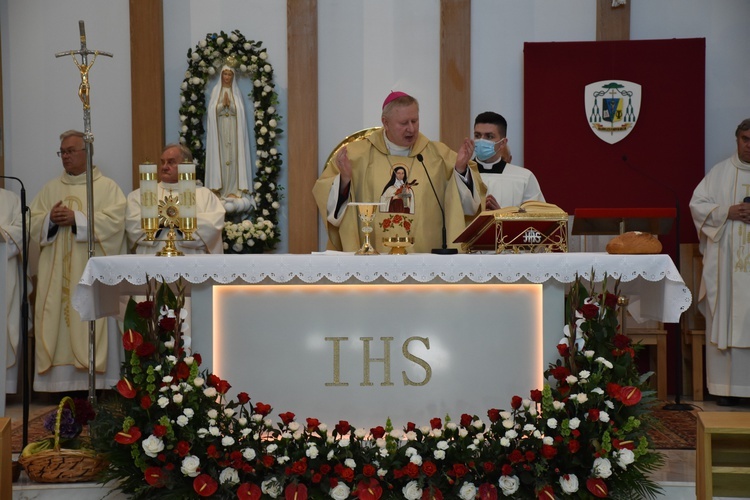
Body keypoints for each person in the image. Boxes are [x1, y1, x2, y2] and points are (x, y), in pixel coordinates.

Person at [313, 91, 485, 253]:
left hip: (426, 259)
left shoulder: (439, 155)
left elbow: (469, 207)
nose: (411, 128)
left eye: (415, 121)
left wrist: (461, 170)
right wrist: (345, 179)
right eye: (404, 123)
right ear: (385, 123)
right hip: (373, 260)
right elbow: (328, 204)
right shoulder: (357, 155)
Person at [30, 130, 127, 392]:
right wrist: (49, 219)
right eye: (62, 152)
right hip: (56, 271)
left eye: (70, 151)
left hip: (88, 274)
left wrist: (78, 220)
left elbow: (116, 224)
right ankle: (56, 386)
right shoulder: (50, 188)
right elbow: (32, 223)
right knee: (56, 320)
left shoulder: (107, 188)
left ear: (87, 153)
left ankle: (98, 385)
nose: (65, 157)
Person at [689, 118, 750, 406]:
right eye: (745, 139)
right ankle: (725, 389)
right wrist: (728, 211)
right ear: (736, 139)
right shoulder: (719, 173)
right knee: (724, 314)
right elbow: (697, 206)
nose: (749, 146)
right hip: (726, 265)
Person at [126, 144, 226, 255]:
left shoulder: (205, 195)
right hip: (152, 261)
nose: (164, 167)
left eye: (171, 162)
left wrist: (165, 218)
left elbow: (212, 227)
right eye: (162, 162)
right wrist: (181, 219)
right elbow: (133, 227)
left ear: (185, 165)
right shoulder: (139, 196)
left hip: (191, 261)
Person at [473, 112, 545, 210]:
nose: (481, 141)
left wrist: (502, 215)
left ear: (502, 143)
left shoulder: (524, 178)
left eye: (489, 136)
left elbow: (537, 218)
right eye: (477, 135)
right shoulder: (461, 175)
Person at [204, 65, 255, 200]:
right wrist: (222, 106)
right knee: (221, 156)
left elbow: (240, 113)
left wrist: (230, 106)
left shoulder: (236, 93)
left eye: (229, 74)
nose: (227, 77)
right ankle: (220, 189)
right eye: (225, 74)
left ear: (233, 76)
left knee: (233, 157)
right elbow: (211, 112)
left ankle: (233, 189)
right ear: (221, 75)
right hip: (219, 130)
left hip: (233, 130)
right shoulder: (216, 91)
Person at [1, 188, 23, 393]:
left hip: (4, 273)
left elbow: (22, 230)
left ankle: (3, 389)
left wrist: (2, 233)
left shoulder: (11, 199)